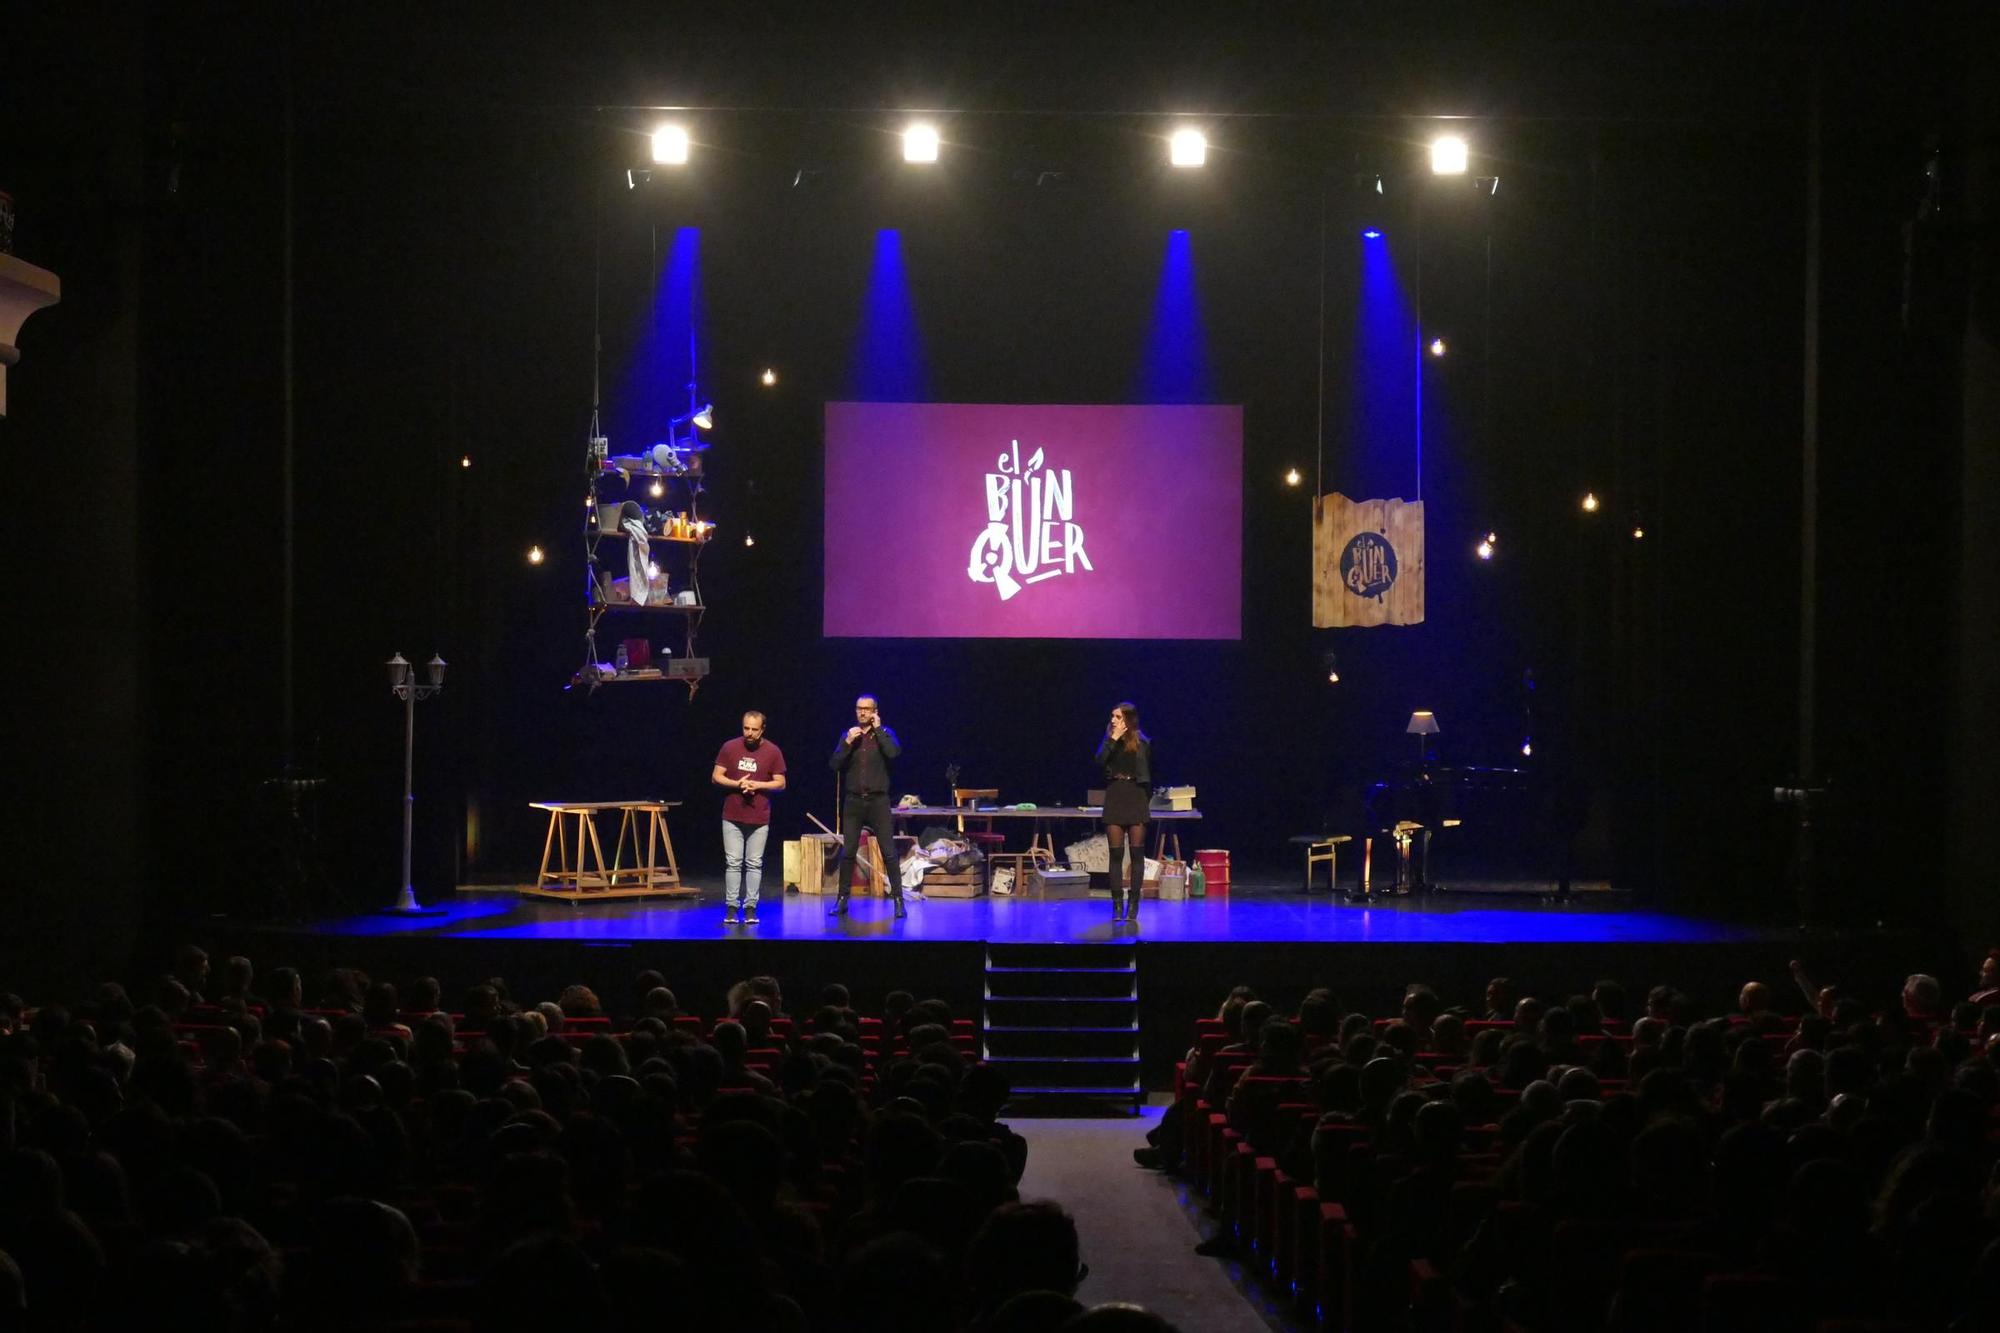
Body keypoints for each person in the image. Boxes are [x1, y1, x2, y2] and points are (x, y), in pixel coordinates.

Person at [828, 694, 904, 918]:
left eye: (867, 709)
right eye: (859, 709)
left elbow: (893, 753)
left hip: (878, 802)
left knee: (889, 852)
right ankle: (842, 899)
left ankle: (899, 901)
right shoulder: (848, 736)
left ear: (875, 711)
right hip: (854, 802)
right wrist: (847, 744)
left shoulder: (886, 734)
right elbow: (834, 765)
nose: (862, 712)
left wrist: (879, 730)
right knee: (848, 852)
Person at [712, 711, 786, 926]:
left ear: (762, 729)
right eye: (746, 728)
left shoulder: (772, 751)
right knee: (733, 863)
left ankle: (751, 908)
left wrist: (757, 785)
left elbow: (781, 782)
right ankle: (732, 908)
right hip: (732, 815)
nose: (750, 733)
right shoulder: (730, 747)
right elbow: (716, 776)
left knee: (754, 863)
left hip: (759, 816)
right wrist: (738, 784)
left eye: (754, 729)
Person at [1094, 702, 1152, 926]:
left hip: (1136, 796)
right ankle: (1117, 903)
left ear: (1128, 719)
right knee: (1116, 854)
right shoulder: (1109, 740)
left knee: (1137, 855)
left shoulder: (1143, 742)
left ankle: (1134, 903)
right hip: (1116, 795)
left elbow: (1149, 773)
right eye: (1112, 716)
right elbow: (1099, 761)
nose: (1113, 720)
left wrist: (1145, 801)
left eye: (1117, 717)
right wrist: (1113, 738)